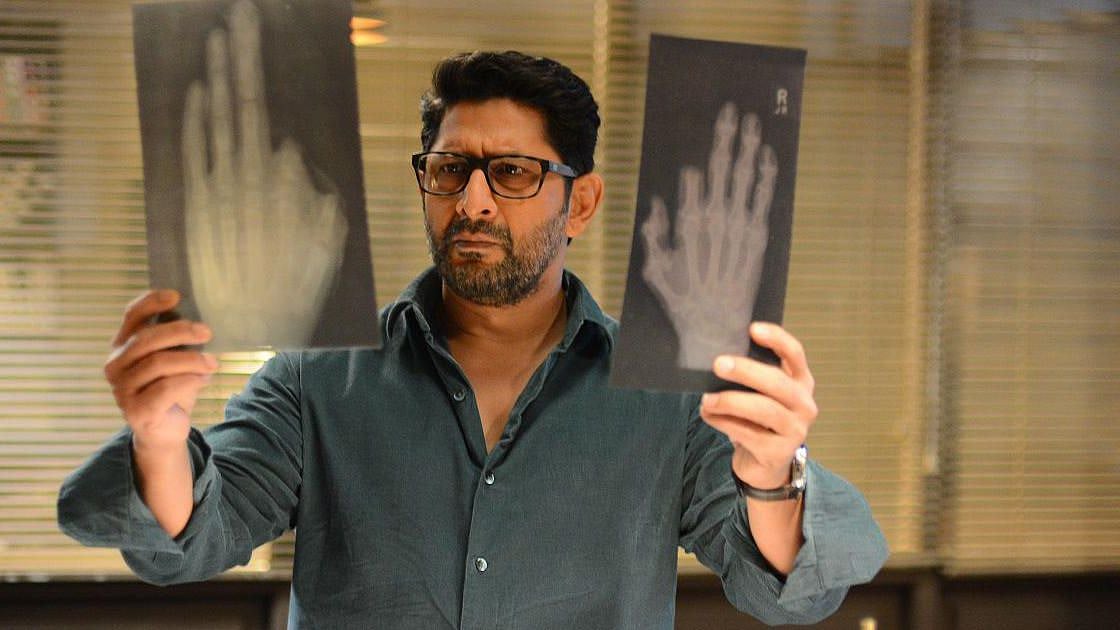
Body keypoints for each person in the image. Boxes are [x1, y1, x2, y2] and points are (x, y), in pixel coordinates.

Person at [58, 50, 887, 629]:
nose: (473, 202)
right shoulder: (316, 378)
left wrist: (772, 475)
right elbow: (192, 538)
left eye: (514, 173)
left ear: (581, 202)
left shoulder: (668, 395)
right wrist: (159, 437)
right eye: (450, 169)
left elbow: (786, 592)